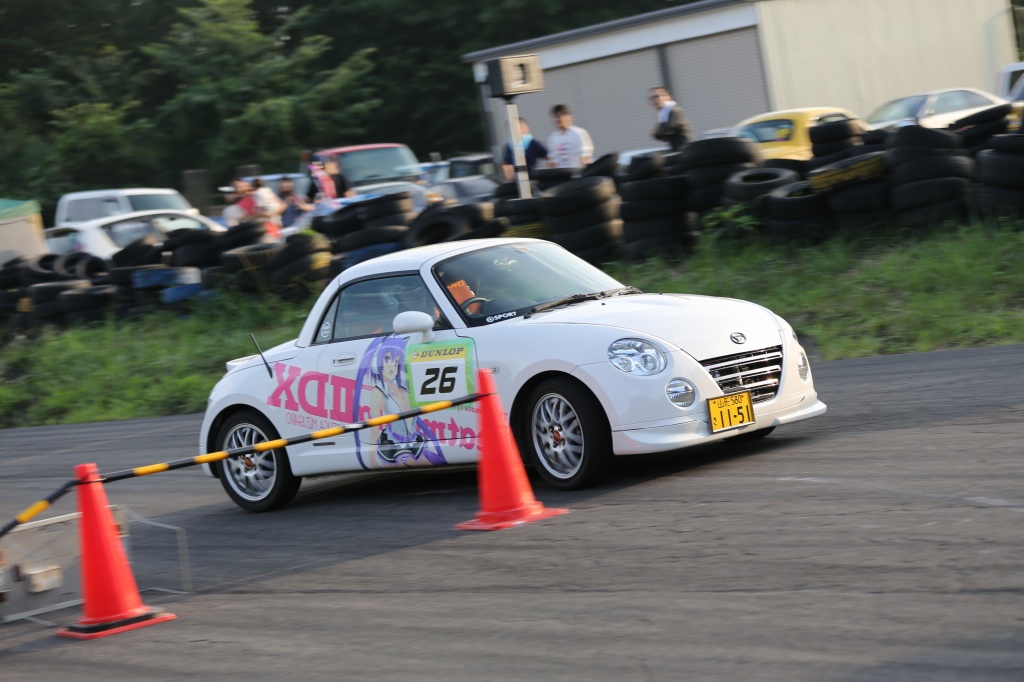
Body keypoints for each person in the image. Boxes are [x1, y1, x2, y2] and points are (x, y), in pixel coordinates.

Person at [546, 104, 593, 169]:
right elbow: (551, 162)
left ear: (570, 116)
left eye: (560, 116)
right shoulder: (553, 138)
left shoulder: (579, 133)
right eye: (555, 117)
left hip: (577, 173)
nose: (557, 120)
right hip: (560, 174)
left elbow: (585, 159)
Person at [649, 86, 693, 151]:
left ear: (669, 97)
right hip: (679, 150)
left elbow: (666, 130)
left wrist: (657, 131)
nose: (655, 99)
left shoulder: (674, 111)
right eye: (652, 98)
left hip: (687, 150)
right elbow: (663, 137)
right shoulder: (663, 114)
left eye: (657, 96)